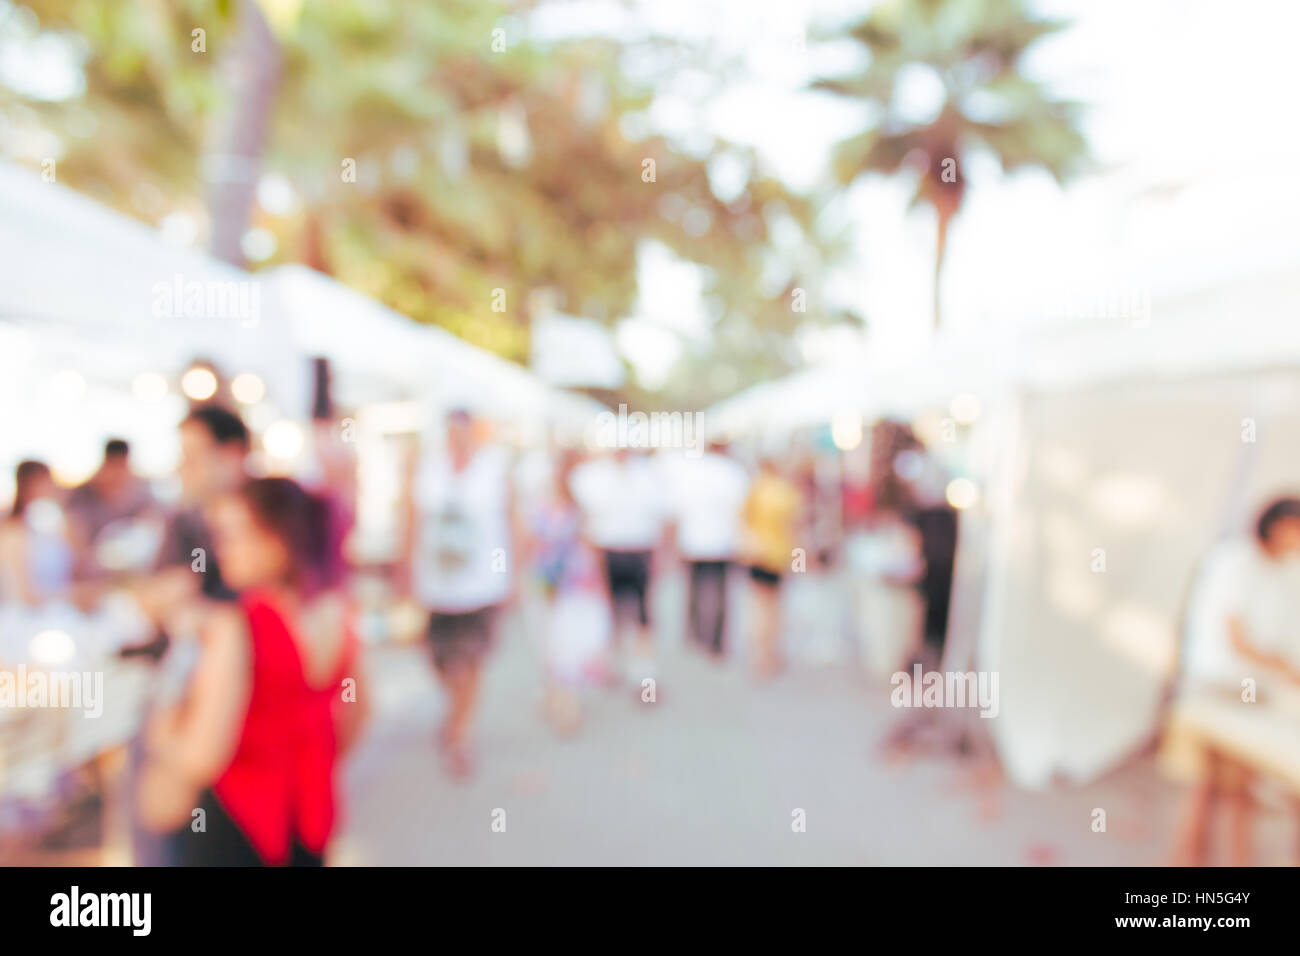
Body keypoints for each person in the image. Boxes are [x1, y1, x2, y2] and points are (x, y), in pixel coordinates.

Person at [137, 477, 363, 866]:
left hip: (238, 821)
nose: (221, 551)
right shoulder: (336, 613)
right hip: (310, 813)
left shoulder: (236, 625)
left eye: (234, 536)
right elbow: (357, 712)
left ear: (276, 541)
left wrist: (159, 733)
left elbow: (202, 755)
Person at [1169, 496, 1300, 866]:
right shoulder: (1236, 561)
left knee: (1232, 790)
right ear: (1279, 525)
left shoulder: (1280, 573)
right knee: (1215, 788)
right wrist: (1285, 668)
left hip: (1251, 692)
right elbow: (1236, 638)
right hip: (1217, 688)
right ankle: (1194, 860)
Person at [402, 408, 515, 778]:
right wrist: (404, 569)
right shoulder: (426, 467)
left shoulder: (495, 467)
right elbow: (410, 518)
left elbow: (513, 520)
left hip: (481, 584)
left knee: (471, 659)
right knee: (438, 658)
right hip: (435, 584)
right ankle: (456, 712)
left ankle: (460, 733)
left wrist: (511, 576)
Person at [569, 448, 669, 685]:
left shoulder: (648, 475)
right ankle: (611, 667)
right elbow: (583, 518)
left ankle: (643, 674)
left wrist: (662, 555)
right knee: (608, 614)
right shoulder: (592, 476)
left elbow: (664, 516)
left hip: (639, 551)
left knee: (643, 617)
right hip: (606, 552)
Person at [528, 449, 610, 736]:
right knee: (557, 647)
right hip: (555, 588)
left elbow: (590, 549)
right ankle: (557, 699)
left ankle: (566, 708)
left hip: (570, 589)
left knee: (564, 649)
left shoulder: (571, 510)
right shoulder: (546, 509)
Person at [670, 442, 749, 658]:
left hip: (693, 541)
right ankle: (716, 642)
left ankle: (695, 634)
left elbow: (678, 508)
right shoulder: (732, 472)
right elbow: (741, 508)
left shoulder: (689, 472)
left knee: (694, 588)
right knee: (721, 592)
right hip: (723, 541)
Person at [739, 457, 802, 678]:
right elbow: (795, 527)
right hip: (779, 556)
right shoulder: (787, 491)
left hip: (758, 554)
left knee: (759, 606)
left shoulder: (756, 489)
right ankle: (770, 653)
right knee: (774, 607)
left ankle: (760, 655)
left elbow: (743, 519)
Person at [66, 438, 154, 580]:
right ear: (106, 464)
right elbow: (76, 545)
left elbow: (150, 530)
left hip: (130, 576)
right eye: (116, 467)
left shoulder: (141, 493)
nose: (120, 476)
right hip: (90, 578)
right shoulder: (81, 496)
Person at [0, 460, 73, 608]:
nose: (51, 489)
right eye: (44, 484)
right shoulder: (11, 533)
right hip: (24, 616)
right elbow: (21, 594)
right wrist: (75, 595)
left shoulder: (58, 527)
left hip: (57, 608)